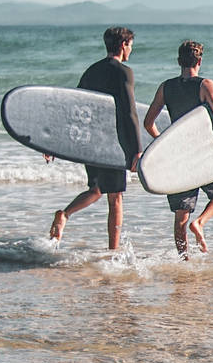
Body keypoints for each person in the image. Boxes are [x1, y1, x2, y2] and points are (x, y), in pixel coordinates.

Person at [49, 27, 145, 251]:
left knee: (96, 190)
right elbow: (129, 112)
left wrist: (54, 141)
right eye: (130, 44)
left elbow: (73, 107)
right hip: (111, 142)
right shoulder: (124, 72)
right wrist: (137, 150)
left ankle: (65, 214)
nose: (131, 49)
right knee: (116, 198)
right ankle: (114, 250)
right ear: (123, 45)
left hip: (90, 141)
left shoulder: (91, 71)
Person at [143, 39, 213, 256]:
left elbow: (148, 123)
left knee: (181, 215)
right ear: (200, 60)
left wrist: (163, 144)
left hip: (178, 155)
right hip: (203, 153)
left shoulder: (166, 87)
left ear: (179, 61)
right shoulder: (205, 85)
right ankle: (201, 223)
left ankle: (183, 260)